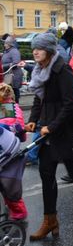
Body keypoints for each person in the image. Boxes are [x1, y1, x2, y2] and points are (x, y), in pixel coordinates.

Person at [26, 33, 73, 241]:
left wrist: (51, 126)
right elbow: (39, 98)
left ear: (50, 51)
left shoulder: (63, 70)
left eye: (39, 48)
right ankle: (50, 220)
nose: (35, 51)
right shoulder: (40, 70)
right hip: (49, 128)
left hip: (66, 130)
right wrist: (33, 119)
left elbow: (70, 105)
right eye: (34, 48)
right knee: (46, 173)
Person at [0, 83, 27, 222]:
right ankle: (13, 205)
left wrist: (5, 127)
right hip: (9, 147)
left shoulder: (7, 108)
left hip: (8, 149)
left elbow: (12, 126)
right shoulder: (11, 106)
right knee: (8, 182)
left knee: (9, 183)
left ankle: (19, 211)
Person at [1, 36, 23, 103]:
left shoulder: (14, 51)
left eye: (5, 43)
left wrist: (3, 67)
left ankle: (16, 110)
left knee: (14, 94)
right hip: (9, 75)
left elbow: (16, 63)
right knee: (9, 94)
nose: (4, 45)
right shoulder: (7, 51)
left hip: (14, 76)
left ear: (9, 44)